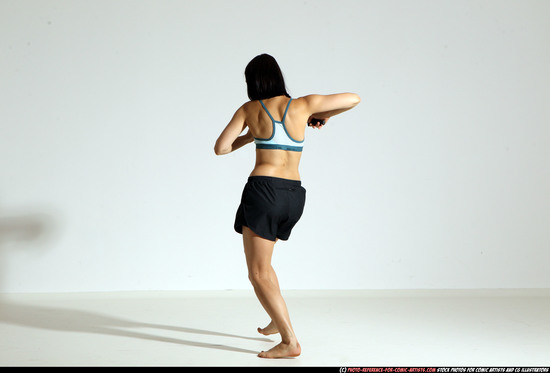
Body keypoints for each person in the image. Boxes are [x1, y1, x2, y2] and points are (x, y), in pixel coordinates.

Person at [214, 54, 360, 358]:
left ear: (252, 82)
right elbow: (353, 99)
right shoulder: (304, 105)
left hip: (263, 191)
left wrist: (251, 136)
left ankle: (289, 340)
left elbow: (221, 148)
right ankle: (274, 318)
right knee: (266, 267)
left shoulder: (250, 109)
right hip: (293, 195)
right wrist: (326, 115)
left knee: (257, 274)